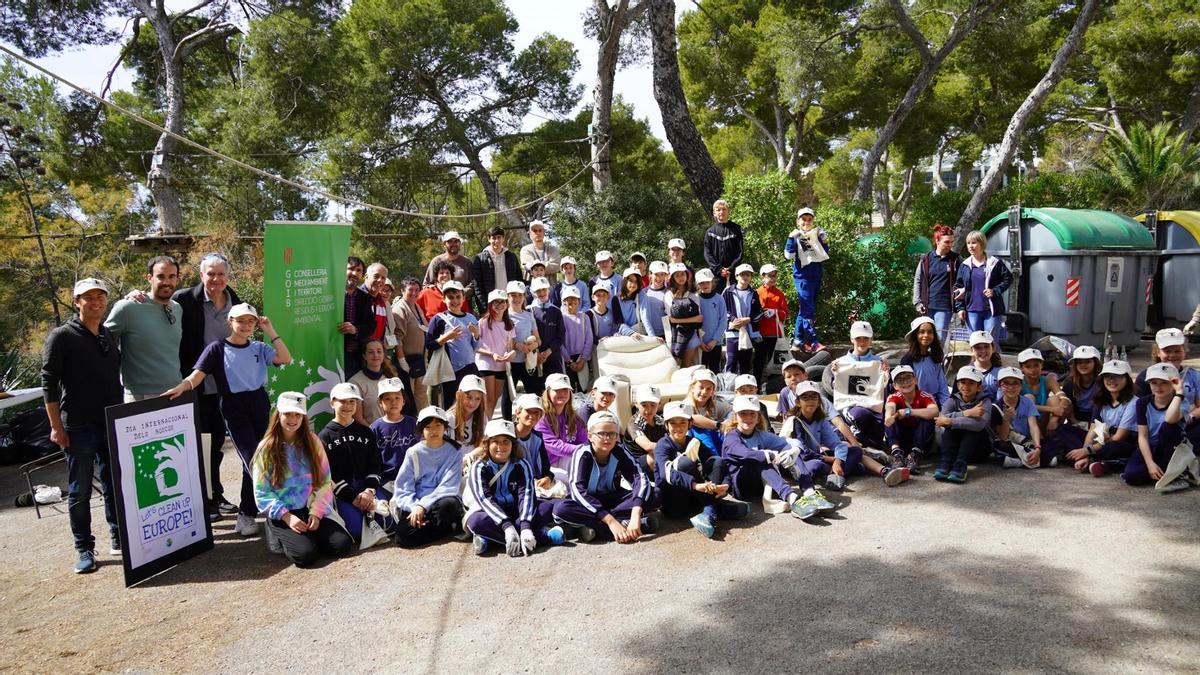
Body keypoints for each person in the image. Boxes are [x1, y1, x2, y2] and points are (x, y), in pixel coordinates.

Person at [164, 302, 293, 537]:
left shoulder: (259, 347)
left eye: (250, 321)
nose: (245, 325)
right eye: (240, 320)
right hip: (234, 406)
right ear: (230, 322)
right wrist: (182, 387)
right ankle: (270, 511)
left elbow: (285, 358)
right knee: (252, 460)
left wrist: (270, 330)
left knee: (263, 456)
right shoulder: (216, 348)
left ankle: (247, 513)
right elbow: (196, 376)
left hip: (259, 402)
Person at [42, 278, 124, 573]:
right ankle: (84, 548)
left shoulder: (109, 334)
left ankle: (118, 536)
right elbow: (48, 384)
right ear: (76, 302)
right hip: (78, 426)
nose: (95, 302)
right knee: (80, 492)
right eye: (88, 297)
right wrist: (56, 427)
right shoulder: (61, 337)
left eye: (100, 297)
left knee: (115, 484)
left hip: (111, 422)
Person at [173, 252, 243, 520]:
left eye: (221, 274)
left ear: (227, 276)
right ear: (201, 275)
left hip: (225, 386)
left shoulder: (235, 301)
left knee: (215, 445)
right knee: (198, 446)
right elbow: (157, 306)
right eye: (210, 274)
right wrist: (136, 296)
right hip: (196, 385)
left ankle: (215, 493)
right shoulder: (184, 299)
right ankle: (204, 500)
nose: (216, 279)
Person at [253, 392, 353, 567]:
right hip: (285, 511)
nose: (293, 419)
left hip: (311, 506)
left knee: (341, 545)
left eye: (297, 414)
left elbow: (324, 481)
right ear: (278, 415)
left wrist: (316, 512)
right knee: (305, 556)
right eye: (288, 414)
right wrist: (287, 517)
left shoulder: (313, 441)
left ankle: (310, 537)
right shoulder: (266, 448)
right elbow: (262, 492)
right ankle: (280, 534)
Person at [552, 411, 660, 543]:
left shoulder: (619, 450)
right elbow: (577, 491)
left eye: (612, 434)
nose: (607, 438)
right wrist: (610, 521)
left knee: (655, 493)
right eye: (601, 433)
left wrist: (635, 514)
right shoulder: (582, 454)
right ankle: (617, 526)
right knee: (561, 509)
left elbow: (639, 477)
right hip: (588, 503)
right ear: (590, 436)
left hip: (612, 499)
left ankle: (594, 527)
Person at [722, 394, 833, 520]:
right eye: (743, 414)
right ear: (735, 416)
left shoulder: (761, 435)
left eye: (752, 414)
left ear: (758, 417)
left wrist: (795, 450)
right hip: (740, 487)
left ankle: (809, 492)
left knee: (788, 450)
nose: (748, 418)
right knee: (760, 459)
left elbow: (787, 442)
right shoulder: (732, 437)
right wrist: (770, 455)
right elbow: (744, 454)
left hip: (759, 486)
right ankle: (793, 499)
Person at [465, 419, 566, 556]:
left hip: (516, 510)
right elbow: (485, 499)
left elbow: (526, 495)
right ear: (487, 443)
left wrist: (525, 527)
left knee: (547, 508)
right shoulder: (479, 467)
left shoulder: (522, 464)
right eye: (495, 441)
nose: (501, 446)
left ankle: (490, 539)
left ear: (513, 444)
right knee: (476, 522)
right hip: (490, 512)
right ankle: (543, 537)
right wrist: (507, 527)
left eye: (506, 441)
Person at [653, 401, 749, 539]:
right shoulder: (663, 445)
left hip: (695, 497)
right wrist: (696, 485)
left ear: (690, 424)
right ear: (666, 425)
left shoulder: (693, 441)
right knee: (683, 463)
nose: (678, 427)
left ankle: (708, 512)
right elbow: (665, 474)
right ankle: (713, 508)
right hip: (674, 503)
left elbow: (717, 462)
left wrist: (726, 484)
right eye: (673, 423)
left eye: (682, 422)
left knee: (717, 461)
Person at [317, 383, 389, 547]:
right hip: (344, 492)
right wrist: (352, 498)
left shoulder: (365, 431)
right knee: (356, 532)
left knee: (388, 521)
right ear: (332, 403)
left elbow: (375, 464)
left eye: (352, 402)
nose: (348, 406)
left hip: (367, 487)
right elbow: (328, 474)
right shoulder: (324, 436)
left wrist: (369, 491)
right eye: (343, 401)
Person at [105, 256, 183, 402]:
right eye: (160, 276)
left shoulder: (177, 309)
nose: (166, 282)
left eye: (171, 276)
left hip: (175, 392)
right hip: (140, 396)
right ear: (149, 278)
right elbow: (101, 343)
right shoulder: (128, 307)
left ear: (177, 279)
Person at [389, 406, 465, 547]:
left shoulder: (455, 450)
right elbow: (403, 488)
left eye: (438, 425)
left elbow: (448, 486)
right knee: (402, 536)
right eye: (428, 427)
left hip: (441, 502)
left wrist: (424, 506)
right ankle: (444, 529)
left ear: (445, 427)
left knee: (448, 507)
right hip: (417, 504)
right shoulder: (414, 452)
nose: (434, 430)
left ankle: (437, 526)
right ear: (421, 430)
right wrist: (415, 507)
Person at [1059, 360, 1138, 475]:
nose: (1112, 380)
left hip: (1122, 442)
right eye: (1108, 377)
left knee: (1113, 447)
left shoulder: (1133, 403)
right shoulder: (1101, 399)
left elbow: (1119, 437)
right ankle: (1090, 461)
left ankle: (1093, 460)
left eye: (1117, 376)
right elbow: (1093, 429)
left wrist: (1087, 451)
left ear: (1127, 379)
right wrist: (1086, 449)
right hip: (1102, 439)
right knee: (1062, 429)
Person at [1123, 363, 1192, 489]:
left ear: (1174, 383)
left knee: (1167, 427)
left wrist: (1179, 392)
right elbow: (1142, 436)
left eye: (1164, 382)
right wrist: (1149, 463)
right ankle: (1167, 472)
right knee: (1131, 476)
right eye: (1154, 382)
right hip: (1150, 446)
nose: (1158, 387)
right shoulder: (1142, 403)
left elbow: (1170, 419)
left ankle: (1174, 470)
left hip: (1171, 448)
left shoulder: (1182, 401)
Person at [830, 321, 890, 460]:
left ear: (871, 339)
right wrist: (836, 375)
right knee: (859, 414)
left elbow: (884, 388)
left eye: (866, 338)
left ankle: (863, 450)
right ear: (851, 339)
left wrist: (885, 374)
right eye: (858, 338)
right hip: (850, 407)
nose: (862, 342)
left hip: (873, 407)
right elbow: (837, 388)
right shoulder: (840, 362)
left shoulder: (878, 362)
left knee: (876, 439)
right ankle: (856, 445)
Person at [1134, 328, 1200, 448]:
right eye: (1167, 351)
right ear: (1158, 352)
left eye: (1177, 351)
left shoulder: (1194, 376)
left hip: (1187, 425)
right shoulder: (1145, 377)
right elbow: (1140, 410)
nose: (1172, 355)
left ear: (1185, 351)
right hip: (1156, 429)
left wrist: (1189, 416)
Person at [933, 366, 993, 483]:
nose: (966, 386)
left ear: (979, 387)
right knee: (952, 429)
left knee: (972, 429)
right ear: (958, 384)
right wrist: (967, 413)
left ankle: (961, 465)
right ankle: (946, 462)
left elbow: (979, 425)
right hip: (956, 447)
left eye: (971, 383)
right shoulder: (953, 400)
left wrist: (951, 421)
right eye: (962, 382)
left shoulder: (985, 402)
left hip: (979, 448)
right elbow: (940, 419)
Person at [425, 280, 480, 408]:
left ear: (463, 298)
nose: (454, 301)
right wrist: (446, 337)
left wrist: (476, 334)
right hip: (450, 371)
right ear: (444, 299)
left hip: (470, 367)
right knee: (451, 405)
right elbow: (429, 345)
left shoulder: (471, 318)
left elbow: (476, 347)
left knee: (472, 404)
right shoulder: (438, 319)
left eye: (457, 297)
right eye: (450, 297)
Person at [954, 230, 1012, 347]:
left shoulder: (994, 262)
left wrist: (995, 291)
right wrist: (960, 308)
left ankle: (996, 365)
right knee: (975, 344)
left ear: (982, 244)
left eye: (974, 243)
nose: (971, 246)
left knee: (991, 344)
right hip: (972, 311)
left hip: (991, 311)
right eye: (968, 243)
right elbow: (959, 288)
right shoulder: (964, 265)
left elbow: (1008, 279)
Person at [784, 207, 828, 352]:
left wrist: (824, 240)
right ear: (798, 221)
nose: (807, 222)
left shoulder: (816, 234)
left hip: (816, 276)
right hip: (803, 278)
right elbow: (788, 256)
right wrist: (791, 239)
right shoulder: (795, 236)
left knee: (806, 310)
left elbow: (824, 254)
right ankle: (813, 341)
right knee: (807, 310)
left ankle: (798, 341)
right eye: (804, 219)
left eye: (809, 219)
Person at [883, 365, 938, 474]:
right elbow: (890, 406)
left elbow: (934, 411)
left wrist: (909, 412)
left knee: (927, 417)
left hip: (921, 440)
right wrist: (889, 416)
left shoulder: (924, 396)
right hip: (902, 438)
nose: (905, 382)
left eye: (908, 377)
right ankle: (897, 454)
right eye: (900, 380)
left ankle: (915, 455)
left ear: (915, 380)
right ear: (895, 385)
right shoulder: (894, 396)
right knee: (892, 417)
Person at [912, 224, 960, 345]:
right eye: (946, 242)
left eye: (951, 242)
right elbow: (918, 280)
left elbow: (964, 280)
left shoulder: (956, 260)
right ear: (937, 240)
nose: (950, 245)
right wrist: (917, 302)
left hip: (944, 306)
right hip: (927, 306)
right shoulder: (926, 259)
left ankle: (938, 363)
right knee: (924, 339)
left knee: (939, 339)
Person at [535, 373, 588, 478]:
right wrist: (582, 449)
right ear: (548, 392)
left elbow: (584, 440)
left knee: (585, 468)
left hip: (564, 460)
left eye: (565, 390)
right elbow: (555, 446)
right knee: (571, 479)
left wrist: (587, 449)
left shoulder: (574, 417)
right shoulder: (541, 417)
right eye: (557, 390)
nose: (562, 393)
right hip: (544, 466)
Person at [993, 367, 1046, 469]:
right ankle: (1033, 461)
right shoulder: (996, 407)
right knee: (997, 447)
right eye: (1006, 383)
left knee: (1053, 444)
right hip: (1010, 443)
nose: (1011, 387)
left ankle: (1021, 460)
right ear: (999, 385)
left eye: (1015, 383)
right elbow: (1003, 437)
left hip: (1027, 441)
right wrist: (1006, 419)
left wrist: (1037, 448)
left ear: (1021, 385)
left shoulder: (1027, 402)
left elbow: (1033, 426)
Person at [369, 377, 416, 492]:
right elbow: (373, 460)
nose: (393, 402)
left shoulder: (414, 423)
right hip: (387, 482)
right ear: (380, 402)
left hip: (413, 478)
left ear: (404, 401)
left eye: (397, 398)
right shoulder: (375, 428)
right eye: (387, 399)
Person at [475, 289, 515, 420]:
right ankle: (484, 427)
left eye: (502, 301)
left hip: (502, 366)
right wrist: (492, 354)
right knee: (488, 400)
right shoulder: (483, 322)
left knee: (494, 399)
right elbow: (476, 346)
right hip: (486, 365)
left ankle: (487, 424)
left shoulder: (509, 324)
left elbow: (510, 346)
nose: (500, 305)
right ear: (490, 304)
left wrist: (510, 355)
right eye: (496, 302)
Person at [392, 277, 429, 414]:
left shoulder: (416, 306)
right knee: (409, 400)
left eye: (417, 290)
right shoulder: (400, 309)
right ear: (402, 291)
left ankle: (424, 423)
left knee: (421, 398)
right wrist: (402, 361)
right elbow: (397, 337)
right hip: (408, 363)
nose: (414, 293)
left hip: (420, 362)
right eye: (410, 290)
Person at [900, 316, 949, 408]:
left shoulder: (935, 358)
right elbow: (905, 388)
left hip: (935, 403)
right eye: (921, 332)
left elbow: (942, 386)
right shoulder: (907, 360)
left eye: (930, 332)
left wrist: (946, 408)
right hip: (916, 406)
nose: (926, 335)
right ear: (915, 335)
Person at [724, 264, 763, 375]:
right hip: (733, 333)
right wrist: (733, 319)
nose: (745, 277)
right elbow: (723, 309)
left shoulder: (754, 293)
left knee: (745, 364)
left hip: (749, 333)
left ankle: (744, 389)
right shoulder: (728, 292)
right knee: (731, 362)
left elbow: (759, 312)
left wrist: (749, 319)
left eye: (748, 274)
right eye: (742, 274)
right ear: (736, 276)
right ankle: (727, 388)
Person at [472, 226, 522, 313]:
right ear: (489, 239)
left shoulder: (511, 256)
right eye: (493, 238)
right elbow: (478, 287)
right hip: (491, 304)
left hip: (510, 304)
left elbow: (519, 279)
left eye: (499, 237)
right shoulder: (480, 258)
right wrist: (484, 309)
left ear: (503, 239)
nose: (497, 241)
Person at [683, 369, 731, 459]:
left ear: (713, 391)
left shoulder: (715, 404)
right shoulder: (686, 404)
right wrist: (719, 425)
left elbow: (732, 412)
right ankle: (714, 460)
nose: (704, 392)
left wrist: (727, 423)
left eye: (708, 389)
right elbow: (692, 418)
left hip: (712, 441)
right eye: (701, 387)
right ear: (692, 387)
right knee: (700, 430)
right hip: (691, 445)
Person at [506, 280, 543, 397]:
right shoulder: (504, 316)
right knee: (508, 396)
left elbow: (538, 339)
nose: (517, 299)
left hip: (529, 362)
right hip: (511, 362)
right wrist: (517, 345)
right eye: (513, 295)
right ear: (507, 297)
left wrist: (534, 345)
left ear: (524, 297)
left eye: (520, 295)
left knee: (534, 393)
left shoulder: (529, 315)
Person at [349, 339, 399, 426]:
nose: (375, 355)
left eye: (379, 351)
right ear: (364, 356)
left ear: (383, 354)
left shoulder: (391, 378)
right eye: (371, 352)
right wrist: (375, 432)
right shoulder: (355, 382)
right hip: (369, 432)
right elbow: (357, 417)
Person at [341, 257, 376, 378]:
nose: (354, 273)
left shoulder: (365, 297)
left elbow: (371, 326)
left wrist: (355, 329)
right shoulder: (332, 294)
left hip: (356, 357)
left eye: (358, 270)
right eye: (350, 269)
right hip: (335, 354)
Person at [1018, 348, 1064, 437]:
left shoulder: (1048, 380)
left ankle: (1052, 434)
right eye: (1028, 366)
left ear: (1041, 365)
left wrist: (1054, 419)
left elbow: (1062, 397)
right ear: (1021, 368)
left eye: (1036, 365)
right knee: (1029, 398)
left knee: (1054, 399)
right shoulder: (1019, 383)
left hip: (1044, 421)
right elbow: (1024, 406)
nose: (1033, 370)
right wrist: (1052, 409)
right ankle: (1037, 438)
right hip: (1026, 424)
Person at [423, 231, 474, 309]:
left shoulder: (467, 262)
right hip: (439, 307)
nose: (453, 244)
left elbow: (473, 284)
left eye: (456, 241)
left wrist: (460, 293)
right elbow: (426, 285)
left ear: (460, 243)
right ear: (444, 244)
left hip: (462, 306)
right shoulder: (436, 261)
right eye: (450, 241)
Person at [665, 262, 702, 366]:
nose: (680, 277)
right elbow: (671, 319)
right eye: (677, 275)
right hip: (675, 335)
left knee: (687, 366)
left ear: (687, 275)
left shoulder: (693, 295)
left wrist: (680, 320)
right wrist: (692, 319)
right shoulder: (669, 295)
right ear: (672, 278)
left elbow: (699, 318)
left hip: (692, 335)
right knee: (676, 366)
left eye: (682, 274)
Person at [704, 199, 743, 293]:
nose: (721, 212)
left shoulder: (736, 229)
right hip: (716, 275)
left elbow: (740, 252)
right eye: (718, 210)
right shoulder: (710, 232)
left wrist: (731, 268)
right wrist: (719, 269)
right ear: (714, 213)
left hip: (733, 275)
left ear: (728, 211)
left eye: (724, 209)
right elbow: (707, 254)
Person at [626, 384, 665, 476]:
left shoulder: (660, 420)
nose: (648, 410)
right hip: (634, 464)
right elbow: (648, 446)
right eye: (644, 405)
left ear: (659, 404)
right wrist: (673, 446)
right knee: (653, 457)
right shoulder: (634, 423)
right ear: (636, 404)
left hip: (657, 458)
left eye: (653, 405)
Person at [561, 286, 595, 392]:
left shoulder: (585, 317)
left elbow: (589, 339)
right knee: (569, 390)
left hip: (582, 359)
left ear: (579, 301)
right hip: (567, 360)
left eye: (574, 299)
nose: (571, 301)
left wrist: (583, 359)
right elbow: (560, 341)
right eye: (568, 299)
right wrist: (569, 361)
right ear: (564, 301)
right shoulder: (561, 318)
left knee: (582, 388)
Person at [529, 277, 565, 377]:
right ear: (533, 292)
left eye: (544, 289)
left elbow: (561, 336)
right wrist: (538, 354)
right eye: (538, 291)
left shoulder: (556, 311)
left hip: (553, 357)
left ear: (548, 290)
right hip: (534, 358)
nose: (542, 293)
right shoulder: (529, 311)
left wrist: (548, 352)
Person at [1059, 345, 1102, 426]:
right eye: (1079, 362)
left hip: (1098, 418)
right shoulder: (1070, 382)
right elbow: (1067, 404)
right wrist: (1075, 422)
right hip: (1077, 419)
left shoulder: (1102, 381)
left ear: (1095, 363)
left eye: (1087, 362)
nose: (1083, 365)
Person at [694, 268, 727, 373]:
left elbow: (723, 321)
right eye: (702, 282)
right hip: (699, 344)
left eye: (707, 282)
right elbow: (693, 324)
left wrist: (715, 340)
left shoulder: (719, 299)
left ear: (712, 282)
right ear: (698, 284)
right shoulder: (695, 299)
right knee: (700, 372)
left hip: (715, 343)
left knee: (715, 371)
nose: (705, 285)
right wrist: (699, 341)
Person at [447, 374, 487, 455]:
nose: (472, 403)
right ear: (458, 395)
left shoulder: (482, 418)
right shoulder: (447, 419)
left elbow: (483, 445)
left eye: (477, 399)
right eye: (469, 397)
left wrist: (468, 458)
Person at [967, 330, 1002, 400]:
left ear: (993, 348)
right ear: (971, 350)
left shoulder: (1001, 373)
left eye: (986, 346)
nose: (983, 351)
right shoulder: (966, 372)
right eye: (978, 347)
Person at [361, 262, 391, 343]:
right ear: (366, 276)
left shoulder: (381, 302)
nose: (380, 280)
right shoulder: (356, 297)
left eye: (383, 278)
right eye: (376, 276)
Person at [641, 260, 670, 342]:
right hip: (646, 334)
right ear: (650, 275)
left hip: (665, 335)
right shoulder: (643, 292)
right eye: (656, 274)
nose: (659, 278)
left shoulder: (668, 293)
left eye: (662, 274)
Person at [614, 268, 647, 338]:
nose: (633, 284)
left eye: (636, 282)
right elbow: (618, 322)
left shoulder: (640, 295)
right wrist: (630, 333)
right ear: (625, 281)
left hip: (639, 333)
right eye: (631, 281)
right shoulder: (616, 299)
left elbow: (645, 318)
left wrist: (652, 336)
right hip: (623, 334)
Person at [587, 280, 617, 344]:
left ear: (608, 297)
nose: (601, 297)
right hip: (595, 349)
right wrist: (599, 340)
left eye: (604, 295)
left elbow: (614, 330)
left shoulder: (611, 313)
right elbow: (588, 335)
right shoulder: (588, 314)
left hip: (610, 346)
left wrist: (615, 335)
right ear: (593, 297)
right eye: (598, 295)